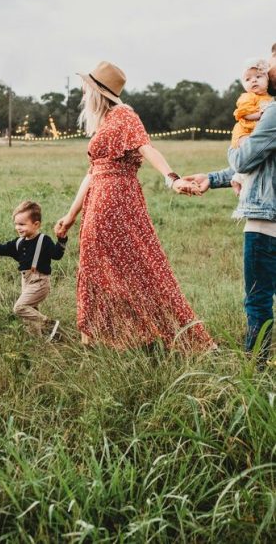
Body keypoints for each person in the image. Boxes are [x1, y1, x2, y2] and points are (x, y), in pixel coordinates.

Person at [54, 61, 216, 352]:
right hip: (99, 199)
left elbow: (147, 147)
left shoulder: (124, 115)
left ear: (97, 92)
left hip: (116, 199)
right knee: (97, 266)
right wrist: (70, 215)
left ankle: (148, 332)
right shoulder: (104, 122)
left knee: (138, 265)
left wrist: (172, 179)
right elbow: (92, 173)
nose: (82, 93)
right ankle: (102, 335)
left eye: (86, 88)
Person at [184, 46, 276, 367]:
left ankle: (256, 367)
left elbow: (244, 158)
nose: (268, 65)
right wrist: (214, 178)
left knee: (258, 300)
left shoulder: (273, 112)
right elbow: (263, 165)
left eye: (272, 60)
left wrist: (235, 142)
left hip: (266, 222)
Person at [0, 200, 67, 341]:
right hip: (26, 281)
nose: (18, 227)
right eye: (16, 224)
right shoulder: (18, 243)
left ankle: (49, 324)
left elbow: (57, 255)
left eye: (22, 224)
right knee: (31, 314)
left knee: (20, 308)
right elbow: (0, 248)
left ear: (36, 224)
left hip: (40, 281)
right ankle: (37, 342)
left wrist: (62, 240)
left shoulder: (44, 240)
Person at [230, 59, 272, 195]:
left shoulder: (269, 98)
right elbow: (244, 113)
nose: (253, 81)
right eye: (248, 79)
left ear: (267, 80)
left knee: (256, 155)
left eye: (258, 77)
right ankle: (237, 179)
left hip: (256, 132)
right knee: (247, 153)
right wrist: (260, 115)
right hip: (244, 131)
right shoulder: (248, 97)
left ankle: (237, 179)